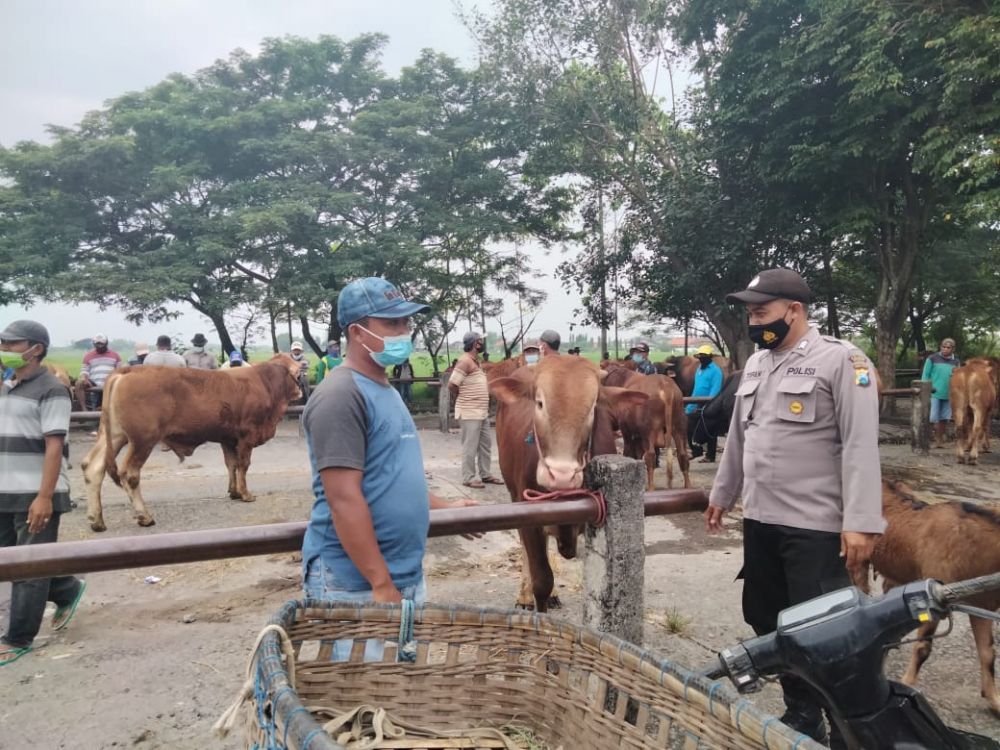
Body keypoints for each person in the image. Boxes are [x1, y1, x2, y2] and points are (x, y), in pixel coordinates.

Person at [704, 268, 883, 747]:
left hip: (815, 526)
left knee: (821, 631)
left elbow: (861, 445)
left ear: (795, 310)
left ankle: (850, 722)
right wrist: (722, 494)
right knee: (767, 619)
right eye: (750, 313)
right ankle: (802, 712)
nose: (753, 321)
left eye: (761, 312)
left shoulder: (843, 362)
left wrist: (862, 523)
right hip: (762, 519)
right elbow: (740, 440)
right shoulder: (757, 366)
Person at [301, 277, 476, 625]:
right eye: (391, 322)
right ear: (357, 333)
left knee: (398, 680)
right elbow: (343, 498)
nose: (403, 331)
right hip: (355, 584)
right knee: (365, 679)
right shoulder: (341, 396)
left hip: (401, 575)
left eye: (406, 322)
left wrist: (444, 508)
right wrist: (380, 582)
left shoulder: (385, 388)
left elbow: (393, 476)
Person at [0, 320, 87, 667]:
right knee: (9, 561)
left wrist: (44, 497)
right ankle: (66, 589)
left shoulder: (51, 390)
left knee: (30, 567)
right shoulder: (7, 384)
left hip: (36, 491)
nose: (4, 349)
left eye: (10, 343)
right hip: (5, 489)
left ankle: (18, 637)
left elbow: (54, 447)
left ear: (35, 349)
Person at [448, 331, 504, 489]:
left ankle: (485, 474)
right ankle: (468, 477)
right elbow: (452, 384)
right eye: (480, 341)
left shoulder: (475, 361)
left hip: (481, 411)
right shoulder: (465, 361)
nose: (482, 344)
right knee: (470, 446)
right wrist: (463, 397)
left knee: (485, 445)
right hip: (469, 411)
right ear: (474, 343)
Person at [686, 344, 724, 462]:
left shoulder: (716, 371)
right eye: (700, 356)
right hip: (695, 402)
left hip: (708, 404)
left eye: (704, 356)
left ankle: (709, 455)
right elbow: (697, 388)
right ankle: (697, 451)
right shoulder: (699, 370)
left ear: (710, 357)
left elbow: (715, 390)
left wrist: (708, 406)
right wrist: (690, 405)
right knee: (690, 427)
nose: (701, 358)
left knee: (709, 431)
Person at [921, 338, 960, 449]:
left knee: (944, 418)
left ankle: (939, 441)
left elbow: (958, 378)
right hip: (934, 393)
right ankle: (927, 438)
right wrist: (926, 388)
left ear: (953, 349)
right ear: (940, 346)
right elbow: (925, 375)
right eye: (943, 346)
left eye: (948, 347)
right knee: (932, 418)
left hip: (949, 394)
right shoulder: (932, 358)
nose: (945, 349)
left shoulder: (956, 362)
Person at [74, 334, 122, 411]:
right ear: (94, 344)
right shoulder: (88, 356)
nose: (99, 345)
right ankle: (84, 409)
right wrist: (84, 379)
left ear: (106, 343)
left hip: (110, 382)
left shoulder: (115, 355)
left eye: (101, 343)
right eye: (97, 344)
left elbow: (119, 371)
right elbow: (84, 371)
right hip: (94, 383)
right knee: (79, 383)